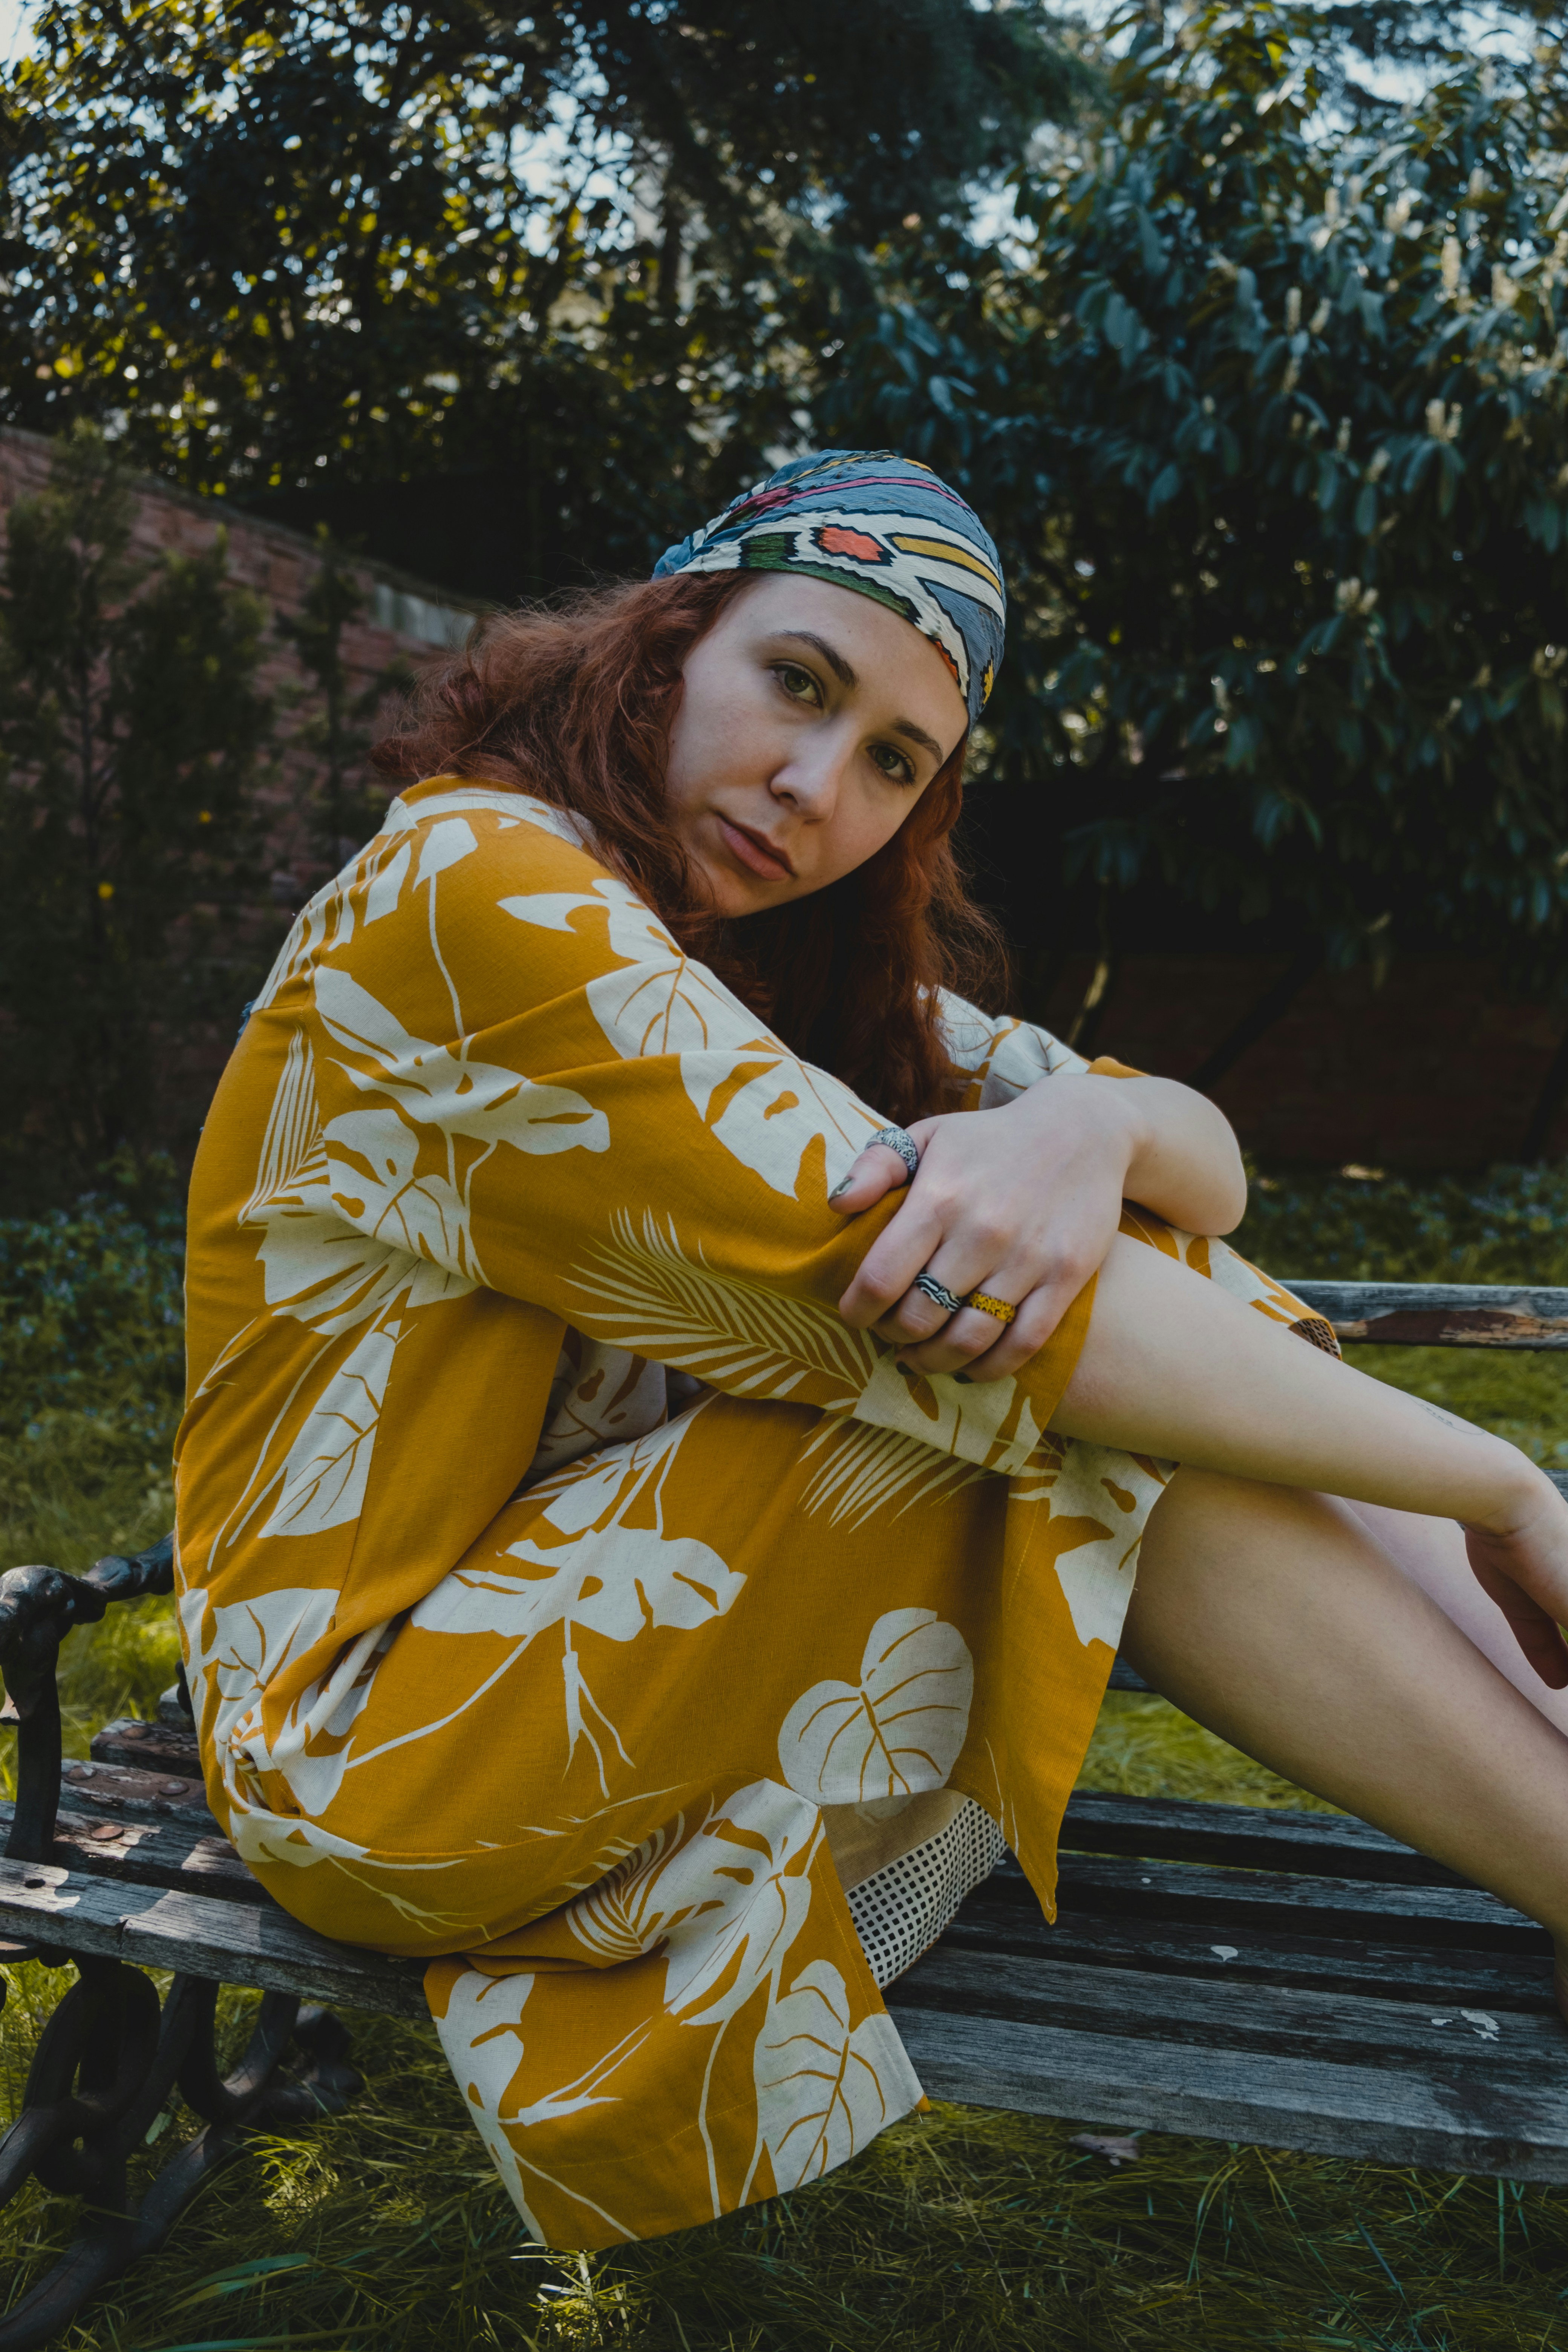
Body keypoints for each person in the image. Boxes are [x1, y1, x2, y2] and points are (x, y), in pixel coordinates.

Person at [176, 449, 1568, 2253]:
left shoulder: (746, 962)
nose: (816, 787)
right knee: (1001, 1373)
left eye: (893, 762)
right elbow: (988, 1305)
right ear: (668, 638)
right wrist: (1500, 1480)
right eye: (797, 682)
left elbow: (1207, 1177)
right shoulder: (475, 892)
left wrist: (1084, 1137)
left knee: (1078, 1254)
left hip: (570, 1656)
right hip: (371, 1746)